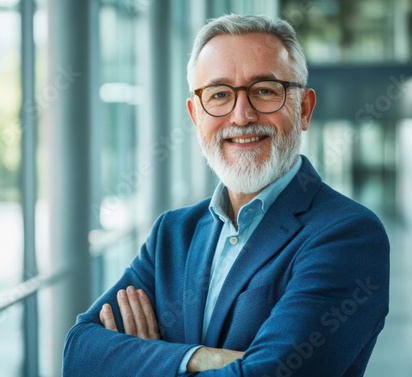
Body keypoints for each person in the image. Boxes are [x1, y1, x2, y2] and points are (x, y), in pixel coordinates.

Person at [63, 14, 389, 377]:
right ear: (195, 116)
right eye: (219, 95)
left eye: (265, 90)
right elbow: (79, 353)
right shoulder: (172, 234)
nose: (242, 115)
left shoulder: (348, 235)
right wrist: (200, 358)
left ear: (304, 109)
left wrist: (149, 358)